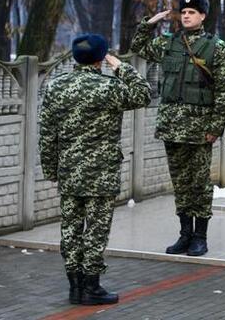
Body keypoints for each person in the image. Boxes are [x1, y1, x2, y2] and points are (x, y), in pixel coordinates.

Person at [39, 34, 151, 305]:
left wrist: (51, 169)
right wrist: (120, 66)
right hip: (101, 172)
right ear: (101, 58)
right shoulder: (108, 87)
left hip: (69, 169)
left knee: (70, 228)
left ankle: (75, 287)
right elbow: (144, 94)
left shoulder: (56, 86)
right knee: (96, 230)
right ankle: (92, 287)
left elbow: (46, 134)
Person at [131, 0, 225, 257]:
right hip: (171, 126)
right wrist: (149, 24)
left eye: (192, 13)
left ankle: (200, 236)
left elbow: (224, 90)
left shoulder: (215, 47)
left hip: (199, 128)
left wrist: (215, 126)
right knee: (181, 183)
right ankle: (184, 234)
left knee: (199, 183)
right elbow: (138, 47)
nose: (186, 16)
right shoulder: (169, 42)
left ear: (203, 16)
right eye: (184, 13)